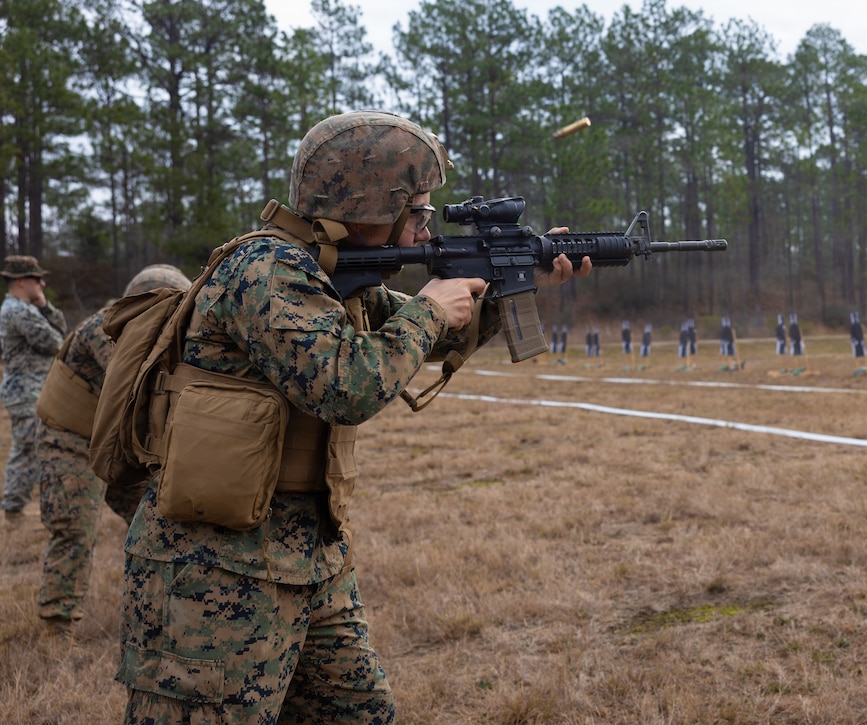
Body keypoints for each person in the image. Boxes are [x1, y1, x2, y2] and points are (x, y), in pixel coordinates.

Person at [116, 110, 591, 723]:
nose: (424, 229)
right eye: (417, 211)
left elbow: (439, 337)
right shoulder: (265, 272)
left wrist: (509, 285)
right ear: (368, 202)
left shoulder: (340, 280)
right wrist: (424, 311)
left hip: (311, 557)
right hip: (213, 573)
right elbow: (347, 387)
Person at [35, 264, 191, 637]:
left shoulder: (156, 333)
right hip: (70, 439)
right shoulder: (103, 328)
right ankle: (57, 627)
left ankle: (159, 617)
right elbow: (141, 386)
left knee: (159, 523)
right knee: (75, 528)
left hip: (114, 442)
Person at [0, 255, 67, 521]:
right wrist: (42, 309)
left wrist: (45, 305)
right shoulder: (18, 311)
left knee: (30, 449)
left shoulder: (24, 308)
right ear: (20, 281)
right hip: (25, 392)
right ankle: (14, 511)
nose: (42, 283)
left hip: (31, 391)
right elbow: (56, 342)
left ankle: (16, 508)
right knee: (29, 450)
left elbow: (60, 331)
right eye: (36, 279)